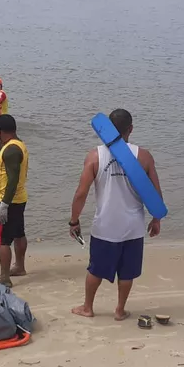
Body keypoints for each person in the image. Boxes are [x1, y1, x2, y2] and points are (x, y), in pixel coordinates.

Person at [69, 108, 163, 321]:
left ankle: (88, 307)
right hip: (133, 226)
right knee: (127, 272)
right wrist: (156, 218)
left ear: (107, 130)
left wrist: (74, 221)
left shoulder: (95, 156)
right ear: (131, 129)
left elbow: (81, 193)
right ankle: (120, 310)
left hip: (105, 225)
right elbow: (155, 193)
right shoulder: (144, 156)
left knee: (95, 270)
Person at [0, 114, 28, 287]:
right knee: (19, 233)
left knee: (2, 240)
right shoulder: (18, 144)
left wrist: (3, 206)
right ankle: (19, 267)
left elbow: (12, 180)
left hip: (8, 201)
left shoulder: (11, 150)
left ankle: (5, 278)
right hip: (19, 199)